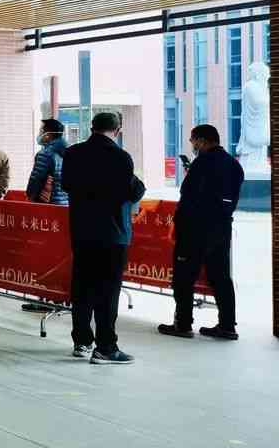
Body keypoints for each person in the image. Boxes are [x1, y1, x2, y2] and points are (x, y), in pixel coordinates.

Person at [62, 112, 145, 365]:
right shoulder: (121, 157)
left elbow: (66, 186)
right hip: (112, 233)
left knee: (82, 287)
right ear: (117, 130)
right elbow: (132, 191)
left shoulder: (73, 154)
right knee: (108, 292)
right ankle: (106, 347)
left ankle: (82, 341)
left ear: (92, 128)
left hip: (82, 232)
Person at [159, 124, 244, 341]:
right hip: (222, 228)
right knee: (221, 277)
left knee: (184, 276)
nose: (192, 144)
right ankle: (227, 325)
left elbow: (187, 194)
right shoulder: (234, 165)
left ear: (202, 140)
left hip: (195, 230)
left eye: (193, 140)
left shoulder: (202, 163)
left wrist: (180, 224)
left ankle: (183, 324)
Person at [26, 119, 69, 205]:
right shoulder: (69, 151)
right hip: (64, 202)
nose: (40, 134)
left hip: (48, 203)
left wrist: (30, 195)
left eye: (41, 131)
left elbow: (37, 179)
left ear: (48, 134)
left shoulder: (45, 154)